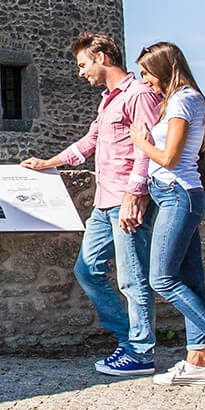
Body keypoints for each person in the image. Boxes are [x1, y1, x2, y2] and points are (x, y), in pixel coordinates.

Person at [22, 32, 163, 378]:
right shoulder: (108, 100)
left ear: (102, 58)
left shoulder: (139, 95)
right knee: (87, 270)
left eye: (83, 64)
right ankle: (128, 339)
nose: (80, 72)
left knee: (132, 279)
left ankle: (141, 352)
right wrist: (48, 163)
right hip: (104, 202)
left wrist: (135, 195)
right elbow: (91, 141)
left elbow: (148, 148)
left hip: (127, 201)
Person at [128, 41, 205, 390]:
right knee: (193, 281)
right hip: (176, 195)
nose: (145, 81)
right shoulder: (181, 100)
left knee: (162, 279)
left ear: (166, 69)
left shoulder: (184, 100)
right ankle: (196, 361)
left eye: (147, 74)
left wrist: (140, 143)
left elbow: (169, 158)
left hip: (177, 195)